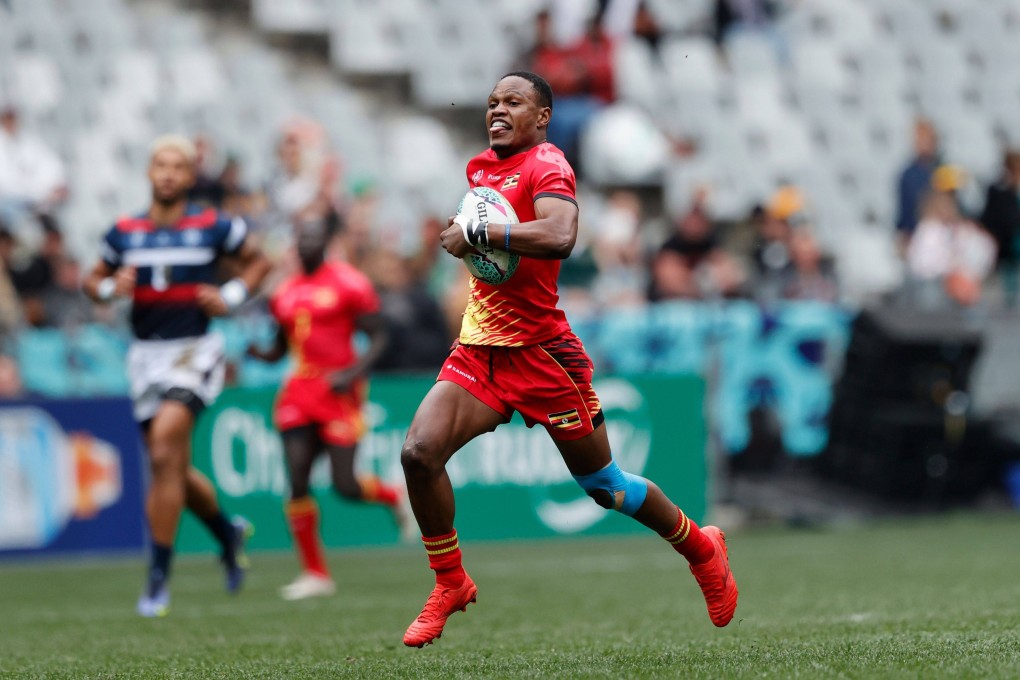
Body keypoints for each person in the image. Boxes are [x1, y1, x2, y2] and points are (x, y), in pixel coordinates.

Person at [398, 72, 738, 648]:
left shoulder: (548, 164)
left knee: (604, 485)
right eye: (491, 103)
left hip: (543, 357)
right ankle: (450, 581)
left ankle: (701, 548)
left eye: (513, 102)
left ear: (543, 116)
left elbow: (559, 236)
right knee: (418, 453)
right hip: (480, 348)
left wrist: (477, 228)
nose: (498, 111)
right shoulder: (479, 169)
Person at [83, 135, 272, 617]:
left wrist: (230, 295)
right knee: (171, 467)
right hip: (144, 356)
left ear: (189, 176)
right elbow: (92, 281)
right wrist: (108, 287)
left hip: (195, 349)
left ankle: (158, 577)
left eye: (177, 167)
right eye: (160, 165)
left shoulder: (213, 225)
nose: (168, 174)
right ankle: (226, 533)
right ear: (149, 172)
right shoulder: (124, 231)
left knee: (165, 445)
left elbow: (260, 261)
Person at [247, 212, 410, 600]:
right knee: (297, 477)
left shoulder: (350, 284)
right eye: (301, 238)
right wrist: (260, 354)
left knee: (345, 486)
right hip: (299, 392)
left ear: (326, 243)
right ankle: (315, 573)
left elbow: (380, 338)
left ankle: (392, 496)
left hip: (339, 393)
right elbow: (279, 348)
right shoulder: (283, 293)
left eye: (314, 238)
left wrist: (352, 373)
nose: (306, 244)